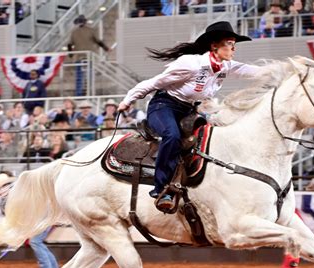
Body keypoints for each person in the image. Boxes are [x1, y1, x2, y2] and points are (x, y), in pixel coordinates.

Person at [117, 21, 261, 211]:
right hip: (164, 105)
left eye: (234, 44)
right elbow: (155, 82)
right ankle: (160, 187)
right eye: (229, 43)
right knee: (172, 135)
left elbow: (251, 71)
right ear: (214, 45)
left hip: (189, 109)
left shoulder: (225, 66)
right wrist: (128, 100)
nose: (233, 48)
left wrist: (285, 72)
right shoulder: (190, 64)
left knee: (211, 136)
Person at [0, 172, 59, 268]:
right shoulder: (17, 192)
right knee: (37, 242)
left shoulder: (17, 194)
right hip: (45, 215)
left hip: (43, 216)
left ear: (5, 187)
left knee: (35, 242)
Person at [68, 15, 110, 96]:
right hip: (89, 57)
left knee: (79, 77)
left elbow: (69, 44)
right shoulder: (90, 30)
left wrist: (70, 54)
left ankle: (79, 94)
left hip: (78, 57)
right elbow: (98, 41)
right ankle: (89, 93)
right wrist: (106, 48)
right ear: (85, 22)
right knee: (89, 76)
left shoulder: (74, 32)